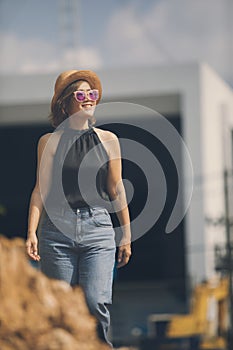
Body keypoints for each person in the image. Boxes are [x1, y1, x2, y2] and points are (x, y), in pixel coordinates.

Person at [25, 70, 132, 348]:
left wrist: (126, 234)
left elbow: (116, 189)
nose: (89, 99)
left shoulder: (109, 139)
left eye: (92, 94)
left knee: (95, 301)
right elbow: (41, 190)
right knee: (59, 308)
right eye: (81, 94)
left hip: (98, 229)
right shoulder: (49, 142)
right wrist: (32, 232)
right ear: (65, 103)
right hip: (56, 231)